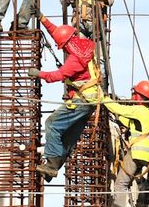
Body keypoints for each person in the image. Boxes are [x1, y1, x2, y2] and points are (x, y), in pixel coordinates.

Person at [29, 14, 102, 179]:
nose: (61, 48)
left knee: (52, 124)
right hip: (90, 101)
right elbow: (59, 32)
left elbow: (57, 75)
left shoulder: (75, 60)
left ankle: (52, 164)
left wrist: (38, 73)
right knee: (68, 137)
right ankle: (53, 166)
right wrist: (42, 19)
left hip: (81, 100)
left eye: (61, 46)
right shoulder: (84, 45)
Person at [103, 81, 149, 207]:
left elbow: (118, 108)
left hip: (136, 153)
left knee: (120, 184)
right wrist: (116, 118)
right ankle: (142, 201)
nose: (132, 96)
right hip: (146, 157)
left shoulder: (139, 109)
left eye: (134, 94)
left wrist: (103, 98)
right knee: (137, 180)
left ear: (139, 95)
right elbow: (132, 124)